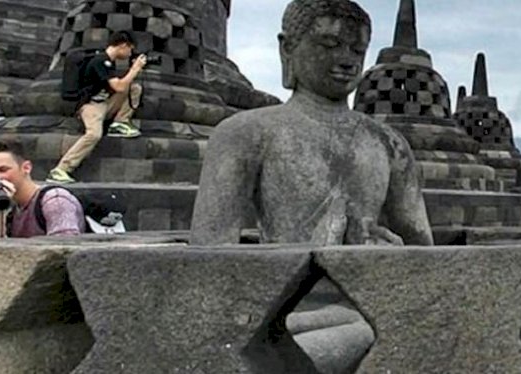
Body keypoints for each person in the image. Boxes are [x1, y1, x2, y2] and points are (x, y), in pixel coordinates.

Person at [190, 0, 432, 371]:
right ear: (287, 49)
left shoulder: (389, 144)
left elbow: (426, 259)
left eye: (357, 49)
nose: (348, 60)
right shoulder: (246, 133)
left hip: (369, 304)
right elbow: (209, 259)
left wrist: (388, 253)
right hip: (282, 312)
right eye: (330, 45)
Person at [47, 30, 147, 184]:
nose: (130, 54)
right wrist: (135, 69)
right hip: (90, 106)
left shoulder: (109, 61)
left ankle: (120, 122)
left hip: (104, 102)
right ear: (122, 45)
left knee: (134, 88)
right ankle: (61, 169)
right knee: (94, 134)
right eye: (130, 49)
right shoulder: (101, 61)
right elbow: (119, 87)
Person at [0, 138, 86, 237]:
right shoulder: (11, 207)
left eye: (3, 170)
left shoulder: (55, 200)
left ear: (26, 168)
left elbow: (64, 247)